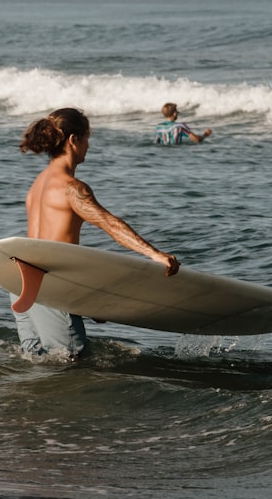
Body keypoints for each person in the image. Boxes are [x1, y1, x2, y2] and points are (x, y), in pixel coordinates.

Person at [15, 107, 180, 359]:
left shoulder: (38, 184)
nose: (88, 146)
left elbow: (51, 245)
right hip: (51, 286)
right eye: (87, 138)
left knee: (36, 361)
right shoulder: (71, 188)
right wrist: (154, 254)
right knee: (70, 361)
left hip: (21, 282)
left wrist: (87, 302)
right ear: (74, 140)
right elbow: (109, 224)